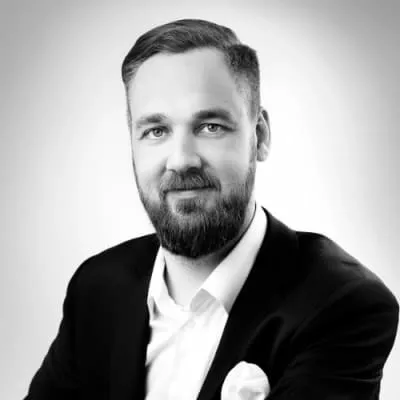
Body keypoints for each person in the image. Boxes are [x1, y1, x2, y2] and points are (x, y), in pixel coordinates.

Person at [25, 18, 398, 400]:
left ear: (260, 136)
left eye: (210, 126)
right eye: (156, 131)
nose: (181, 160)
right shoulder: (96, 288)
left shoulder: (343, 304)